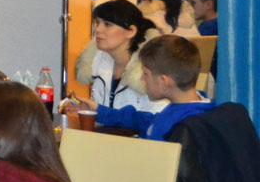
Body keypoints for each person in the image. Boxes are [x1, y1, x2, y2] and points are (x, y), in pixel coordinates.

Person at [66, 34, 214, 140]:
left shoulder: (179, 127)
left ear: (164, 81)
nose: (142, 79)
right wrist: (98, 110)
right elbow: (144, 120)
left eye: (146, 74)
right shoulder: (193, 108)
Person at [72, 0, 162, 112]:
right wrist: (90, 111)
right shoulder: (98, 62)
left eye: (107, 24)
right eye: (97, 23)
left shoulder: (152, 71)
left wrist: (101, 113)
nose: (98, 30)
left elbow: (155, 118)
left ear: (131, 31)